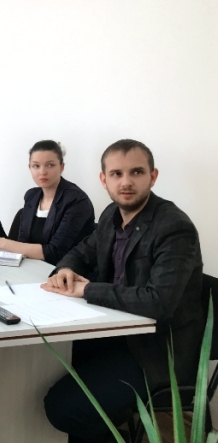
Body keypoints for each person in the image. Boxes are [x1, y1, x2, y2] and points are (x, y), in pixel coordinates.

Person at [41, 139, 204, 443]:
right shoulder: (111, 216)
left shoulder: (174, 227)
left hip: (154, 352)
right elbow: (80, 252)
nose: (126, 182)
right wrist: (65, 269)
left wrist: (88, 290)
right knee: (37, 359)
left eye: (136, 172)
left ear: (152, 176)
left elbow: (158, 302)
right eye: (116, 174)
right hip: (114, 332)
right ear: (104, 180)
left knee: (63, 408)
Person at [0, 140, 95, 265]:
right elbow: (22, 243)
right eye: (36, 166)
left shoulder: (76, 200)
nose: (42, 172)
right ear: (30, 168)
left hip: (65, 271)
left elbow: (55, 253)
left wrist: (1, 243)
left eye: (50, 165)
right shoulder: (32, 196)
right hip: (31, 267)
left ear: (61, 167)